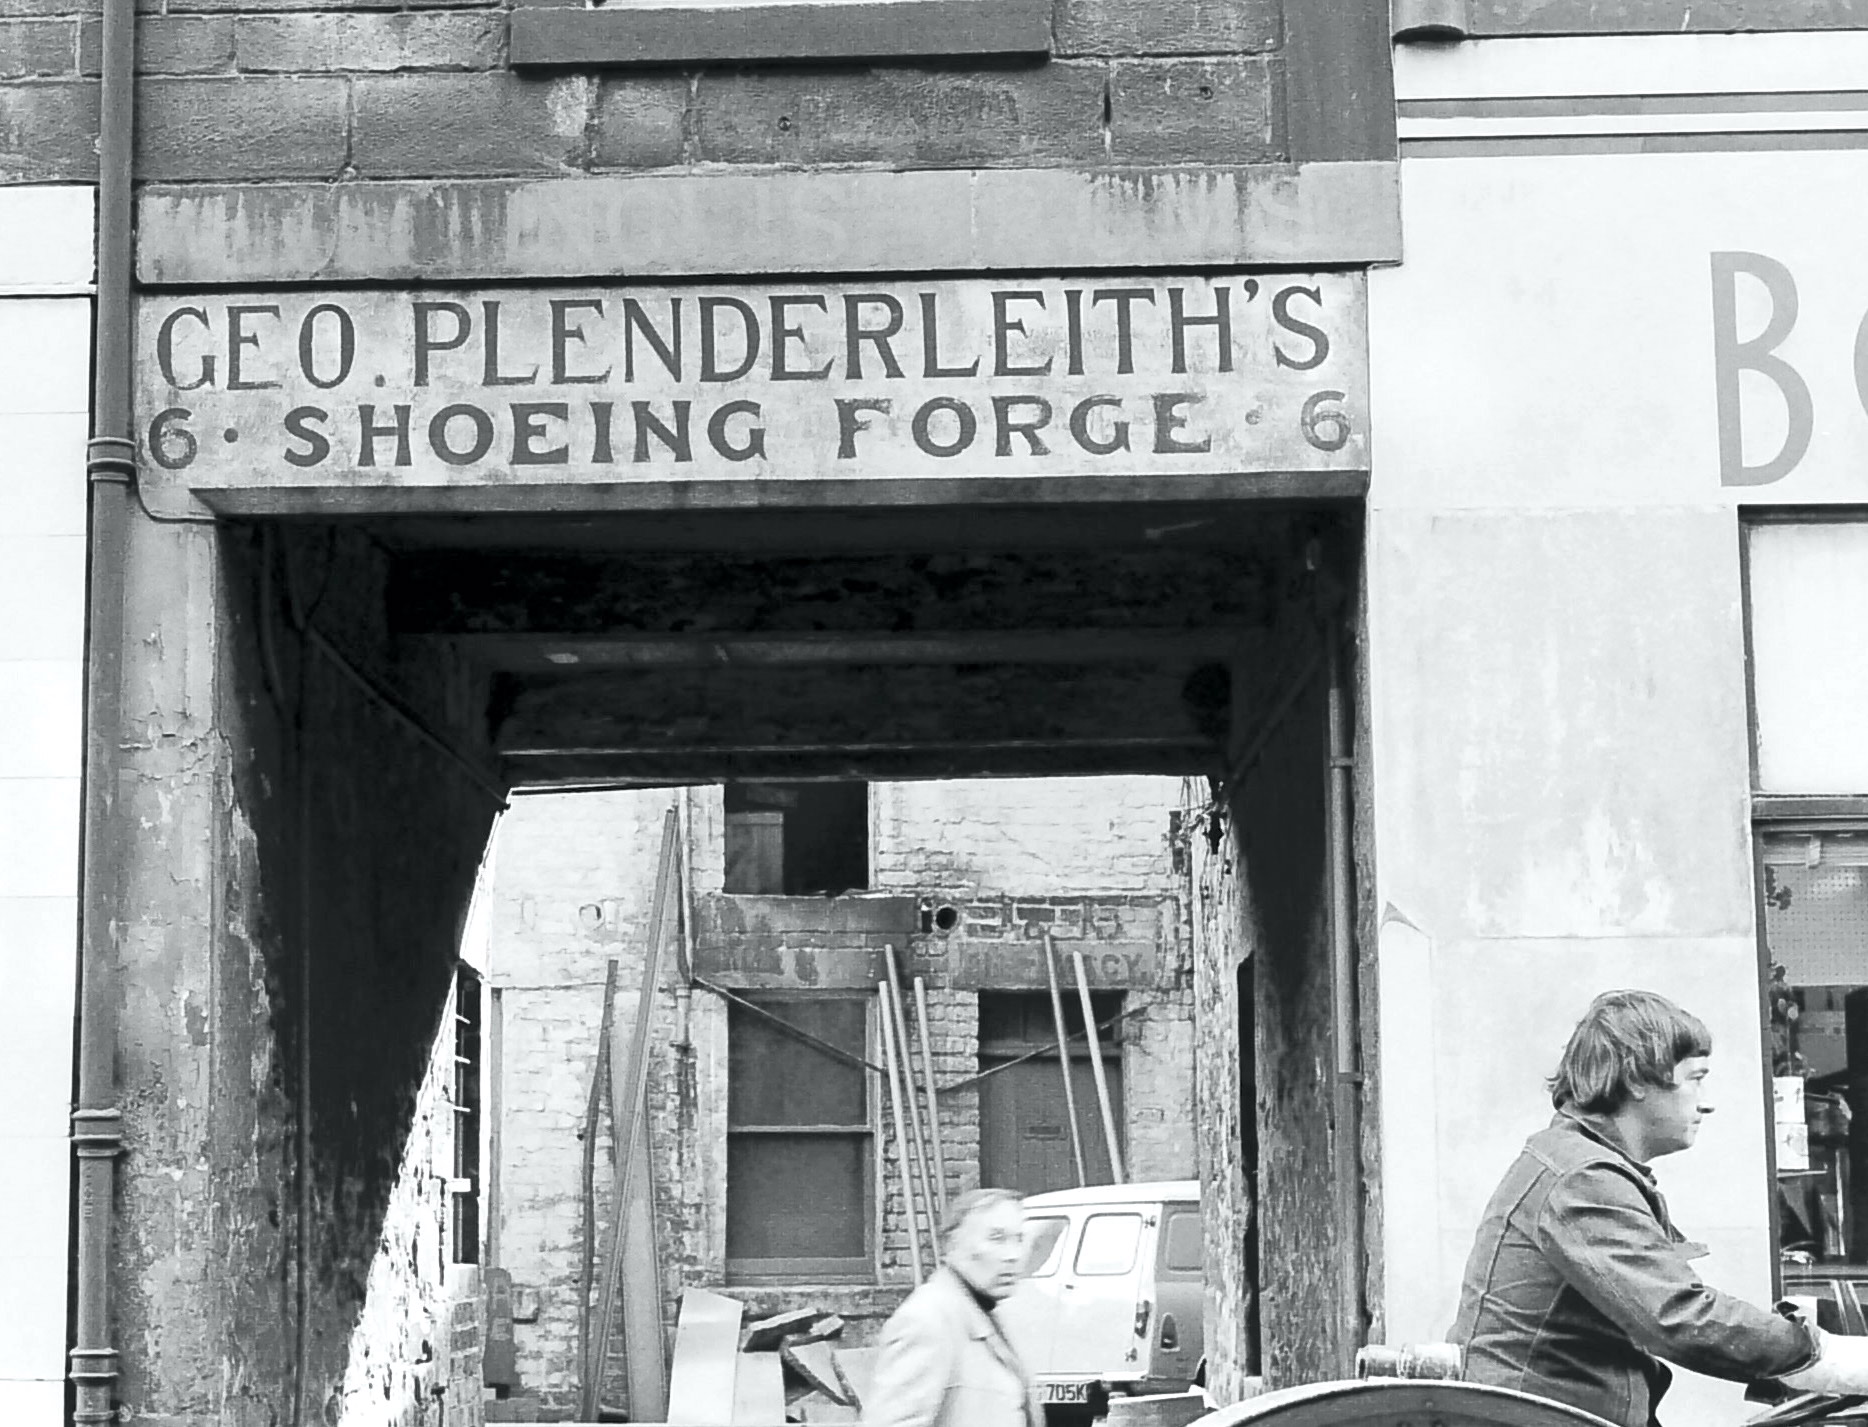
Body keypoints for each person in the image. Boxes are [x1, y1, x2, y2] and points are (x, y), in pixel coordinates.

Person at [1450, 989, 1868, 1427]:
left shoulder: (1575, 1162)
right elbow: (1679, 1317)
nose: (1707, 1102)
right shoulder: (1582, 1179)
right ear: (1635, 1079)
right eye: (1695, 1078)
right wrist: (1826, 1356)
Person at [865, 1187, 1046, 1427]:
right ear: (953, 1244)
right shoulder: (928, 1318)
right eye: (997, 1238)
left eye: (1019, 1239)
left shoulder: (986, 1313)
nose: (1013, 1255)